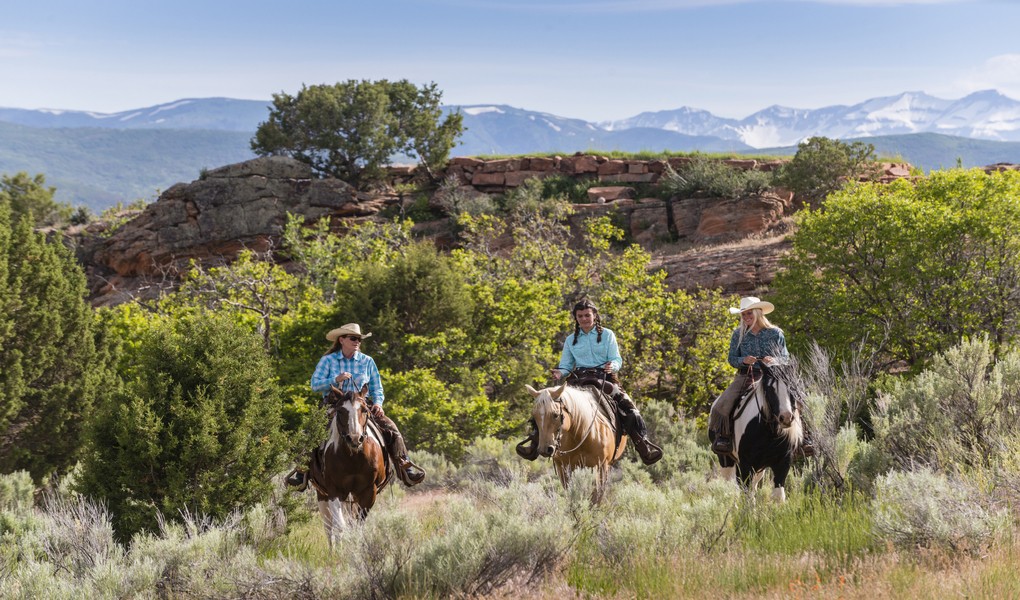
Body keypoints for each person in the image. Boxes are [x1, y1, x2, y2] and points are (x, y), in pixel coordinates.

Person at [516, 299, 663, 465]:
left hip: (604, 378)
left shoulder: (607, 335)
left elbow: (616, 359)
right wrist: (560, 372)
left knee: (629, 408)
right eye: (580, 316)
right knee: (547, 404)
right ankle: (535, 444)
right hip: (579, 379)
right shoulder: (571, 340)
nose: (584, 319)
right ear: (576, 318)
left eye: (587, 315)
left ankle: (643, 447)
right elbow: (566, 365)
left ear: (595, 316)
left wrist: (612, 365)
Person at [285, 323, 425, 490]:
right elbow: (315, 385)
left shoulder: (367, 361)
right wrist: (336, 379)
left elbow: (376, 388)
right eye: (353, 338)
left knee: (392, 429)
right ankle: (302, 471)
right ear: (342, 340)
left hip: (362, 404)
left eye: (359, 339)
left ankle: (404, 466)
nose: (357, 341)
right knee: (309, 431)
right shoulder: (328, 361)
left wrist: (379, 404)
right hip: (334, 403)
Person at [708, 297, 814, 457]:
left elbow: (785, 357)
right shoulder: (738, 334)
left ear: (758, 313)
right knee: (721, 404)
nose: (746, 317)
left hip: (775, 376)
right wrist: (743, 360)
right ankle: (725, 438)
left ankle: (805, 439)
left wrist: (774, 360)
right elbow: (731, 359)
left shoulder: (776, 333)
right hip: (747, 375)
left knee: (802, 399)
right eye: (743, 315)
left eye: (749, 313)